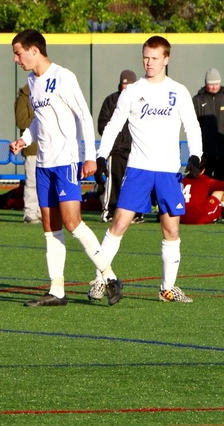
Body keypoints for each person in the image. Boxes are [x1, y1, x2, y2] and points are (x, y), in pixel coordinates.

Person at [9, 29, 121, 308]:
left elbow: (84, 115)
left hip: (66, 161)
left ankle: (109, 277)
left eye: (18, 52)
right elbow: (39, 121)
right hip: (43, 163)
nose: (16, 59)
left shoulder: (63, 76)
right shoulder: (31, 82)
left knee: (72, 223)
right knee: (50, 226)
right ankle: (56, 290)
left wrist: (91, 157)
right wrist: (24, 139)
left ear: (34, 50)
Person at [95, 35, 203, 303]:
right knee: (119, 224)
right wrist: (100, 155)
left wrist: (196, 155)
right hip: (139, 170)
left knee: (171, 230)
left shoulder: (178, 91)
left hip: (168, 171)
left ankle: (167, 288)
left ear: (166, 59)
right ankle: (99, 281)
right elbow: (114, 124)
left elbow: (192, 125)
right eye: (146, 57)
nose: (149, 62)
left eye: (155, 58)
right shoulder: (132, 91)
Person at [96, 70, 144, 224]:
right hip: (116, 151)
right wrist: (115, 142)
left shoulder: (142, 100)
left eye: (130, 84)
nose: (127, 86)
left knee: (134, 183)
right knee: (114, 181)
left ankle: (135, 213)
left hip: (135, 150)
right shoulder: (111, 100)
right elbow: (103, 125)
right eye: (124, 83)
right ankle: (109, 211)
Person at [192, 67, 224, 191]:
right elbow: (192, 123)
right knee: (205, 182)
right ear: (206, 84)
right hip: (206, 152)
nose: (214, 87)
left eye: (216, 84)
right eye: (211, 84)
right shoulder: (198, 100)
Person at [181, 160, 224, 225]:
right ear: (203, 170)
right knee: (222, 191)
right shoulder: (205, 180)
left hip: (181, 217)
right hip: (199, 218)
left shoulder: (182, 180)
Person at [14, 84, 40, 224]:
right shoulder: (23, 98)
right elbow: (21, 121)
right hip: (31, 147)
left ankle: (42, 211)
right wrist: (43, 120)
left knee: (44, 183)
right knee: (31, 182)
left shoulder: (46, 93)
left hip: (47, 147)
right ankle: (30, 212)